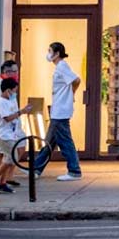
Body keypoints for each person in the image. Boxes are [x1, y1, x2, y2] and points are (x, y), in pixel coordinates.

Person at [34, 42, 83, 181]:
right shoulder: (59, 67)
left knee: (65, 141)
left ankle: (74, 170)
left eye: (50, 51)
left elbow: (76, 80)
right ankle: (36, 168)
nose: (48, 53)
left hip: (61, 110)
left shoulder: (62, 66)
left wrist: (72, 93)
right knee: (50, 141)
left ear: (57, 53)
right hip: (58, 109)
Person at [0, 77, 32, 194]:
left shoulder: (8, 102)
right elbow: (7, 118)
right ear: (8, 90)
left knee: (10, 158)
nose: (15, 93)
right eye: (14, 91)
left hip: (10, 134)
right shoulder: (1, 102)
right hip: (4, 135)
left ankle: (2, 183)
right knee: (10, 158)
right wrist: (21, 112)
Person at [0, 60, 22, 187]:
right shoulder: (0, 84)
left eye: (16, 70)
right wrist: (18, 113)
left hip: (12, 127)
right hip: (4, 128)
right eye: (13, 71)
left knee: (13, 153)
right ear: (6, 72)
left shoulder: (11, 85)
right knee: (4, 155)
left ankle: (4, 179)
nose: (16, 73)